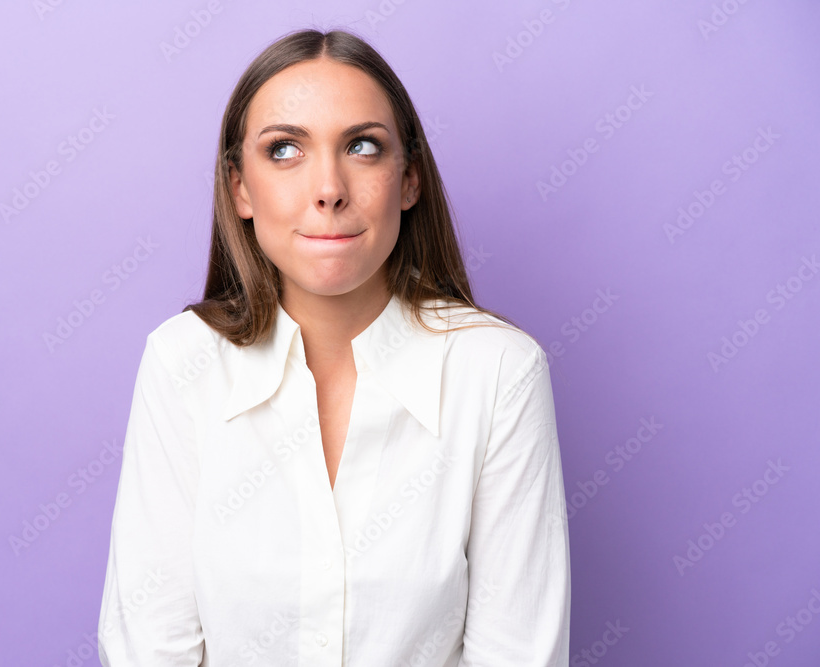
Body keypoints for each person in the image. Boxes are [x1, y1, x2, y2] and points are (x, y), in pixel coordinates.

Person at [96, 27, 571, 667]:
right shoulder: (183, 363)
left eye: (364, 147)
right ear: (240, 187)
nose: (329, 188)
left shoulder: (498, 373)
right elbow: (149, 648)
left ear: (409, 181)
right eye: (285, 149)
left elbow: (517, 652)